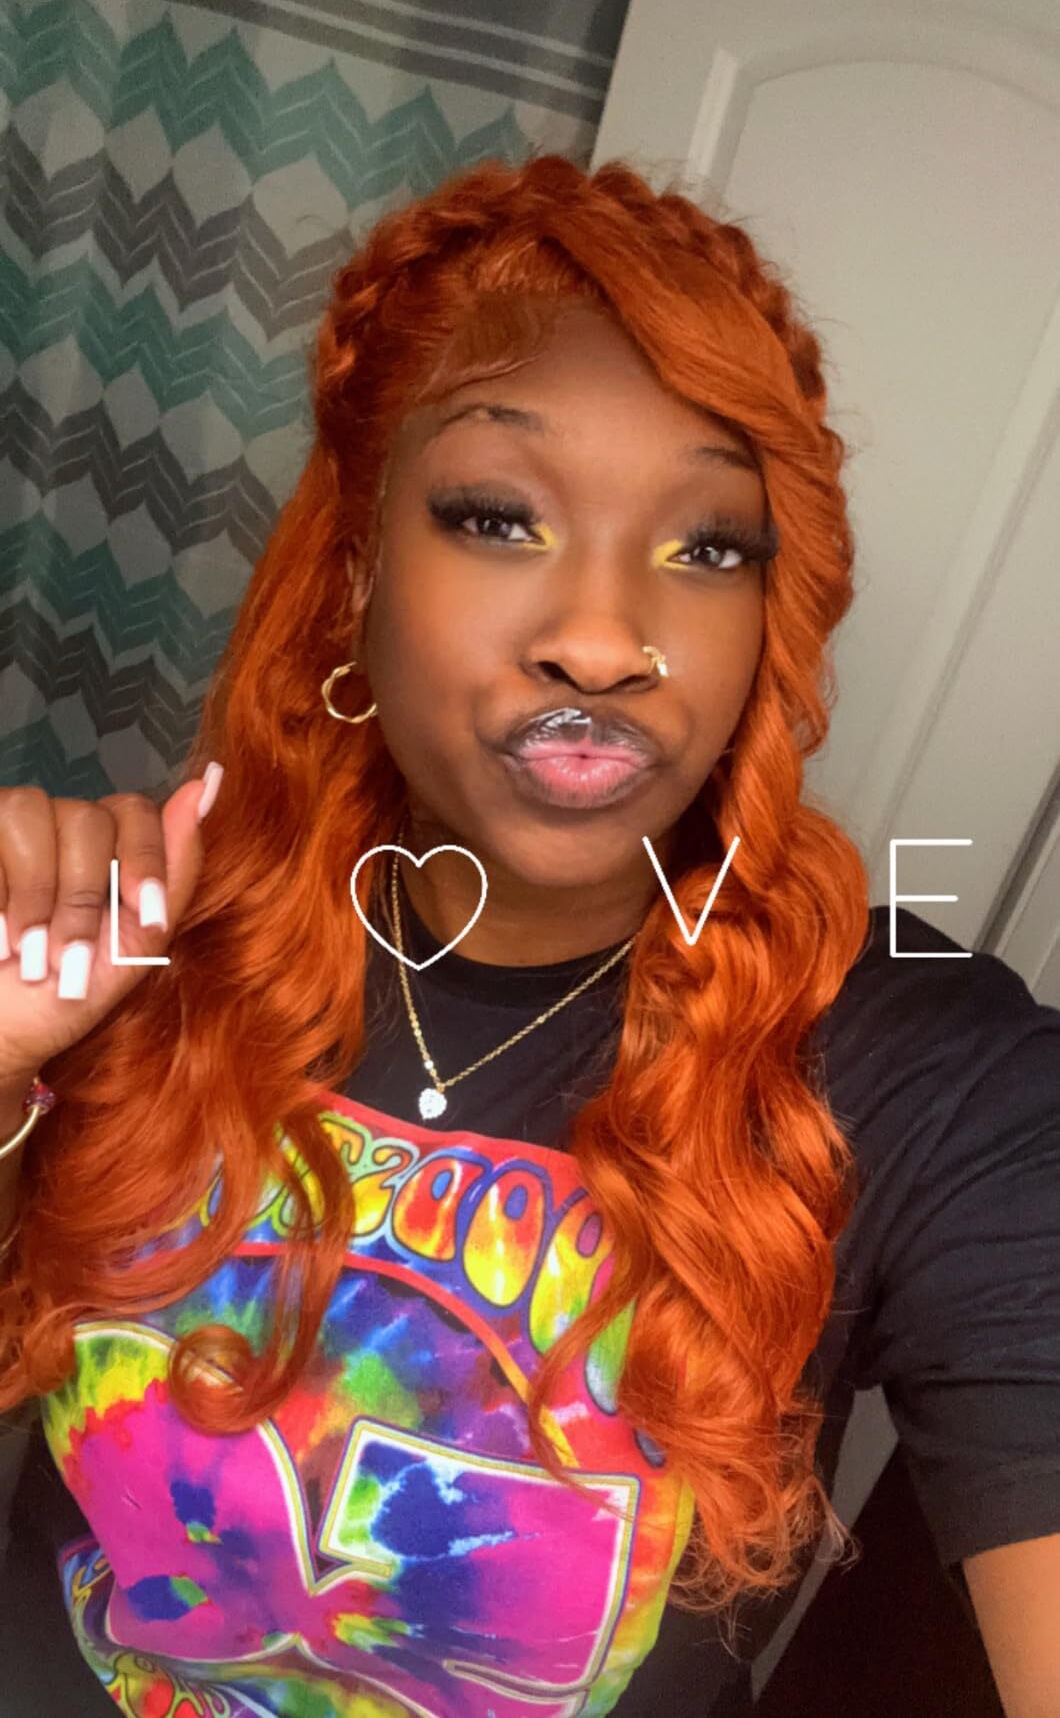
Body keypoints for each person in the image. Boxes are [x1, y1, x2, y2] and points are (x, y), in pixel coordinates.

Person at [0, 153, 1056, 1718]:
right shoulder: (132, 944)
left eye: (709, 544)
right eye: (499, 516)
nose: (604, 638)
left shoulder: (937, 1080)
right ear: (357, 568)